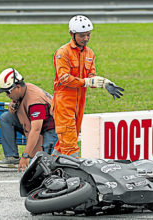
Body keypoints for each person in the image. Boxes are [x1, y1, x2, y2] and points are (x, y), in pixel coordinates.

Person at [52, 15, 124, 157]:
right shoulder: (62, 53)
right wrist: (85, 82)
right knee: (70, 147)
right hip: (64, 103)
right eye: (82, 36)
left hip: (79, 103)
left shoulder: (90, 53)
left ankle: (49, 170)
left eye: (88, 35)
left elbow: (91, 76)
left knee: (63, 145)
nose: (86, 39)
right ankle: (73, 175)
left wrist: (104, 82)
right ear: (72, 34)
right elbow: (64, 78)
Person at [0, 68, 58, 172]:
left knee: (44, 165)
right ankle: (12, 157)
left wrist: (25, 156)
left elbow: (36, 130)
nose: (7, 95)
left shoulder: (35, 102)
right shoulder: (24, 89)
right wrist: (14, 102)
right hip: (36, 125)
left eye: (8, 92)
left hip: (51, 129)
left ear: (17, 87)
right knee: (6, 117)